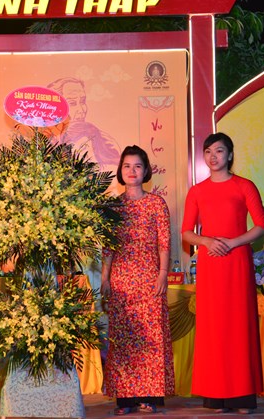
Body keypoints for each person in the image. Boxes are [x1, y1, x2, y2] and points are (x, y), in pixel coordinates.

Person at [181, 132, 264, 414]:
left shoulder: (245, 186)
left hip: (237, 261)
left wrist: (232, 242)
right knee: (213, 328)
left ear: (229, 155)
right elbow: (186, 232)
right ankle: (214, 396)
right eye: (208, 151)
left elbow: (261, 226)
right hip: (210, 264)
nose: (213, 156)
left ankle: (242, 396)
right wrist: (206, 241)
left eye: (219, 151)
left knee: (239, 326)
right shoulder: (197, 191)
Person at [101, 145, 174, 415]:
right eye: (127, 166)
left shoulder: (156, 204)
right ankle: (125, 399)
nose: (132, 171)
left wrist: (163, 274)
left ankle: (149, 397)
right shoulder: (113, 207)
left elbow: (164, 243)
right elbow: (108, 247)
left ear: (146, 171)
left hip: (150, 280)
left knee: (151, 338)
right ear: (120, 171)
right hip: (121, 281)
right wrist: (105, 277)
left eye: (137, 166)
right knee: (123, 339)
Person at [47, 77, 120, 167]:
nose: (81, 110)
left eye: (82, 101)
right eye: (72, 103)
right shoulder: (43, 143)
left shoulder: (106, 142)